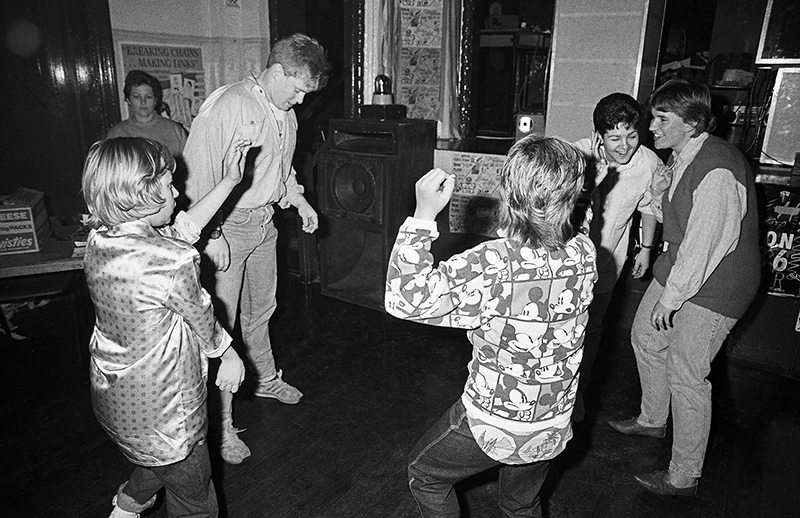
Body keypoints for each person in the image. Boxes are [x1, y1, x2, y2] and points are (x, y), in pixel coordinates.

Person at [385, 136, 597, 517]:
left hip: (495, 422)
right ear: (573, 195)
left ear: (507, 192)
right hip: (553, 424)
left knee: (425, 476)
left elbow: (404, 299)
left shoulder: (493, 265)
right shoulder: (585, 252)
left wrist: (422, 215)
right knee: (521, 503)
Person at [82, 136, 250, 517]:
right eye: (169, 185)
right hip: (168, 410)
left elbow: (175, 235)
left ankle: (126, 508)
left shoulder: (100, 240)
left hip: (118, 402)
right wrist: (228, 355)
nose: (178, 193)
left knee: (159, 460)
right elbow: (203, 318)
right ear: (142, 195)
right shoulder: (171, 262)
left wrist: (228, 182)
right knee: (194, 495)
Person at [183, 33, 331, 465]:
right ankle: (223, 427)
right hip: (225, 227)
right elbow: (194, 177)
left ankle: (265, 378)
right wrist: (212, 235)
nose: (302, 100)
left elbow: (280, 172)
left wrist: (299, 199)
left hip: (264, 224)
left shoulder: (285, 113)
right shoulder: (228, 104)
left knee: (261, 311)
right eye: (300, 88)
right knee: (220, 330)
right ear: (278, 70)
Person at [608, 79, 760, 496]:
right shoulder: (683, 154)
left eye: (661, 119)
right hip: (683, 265)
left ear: (691, 123)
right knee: (644, 336)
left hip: (719, 282)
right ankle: (653, 420)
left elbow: (705, 244)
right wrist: (659, 193)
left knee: (688, 371)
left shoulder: (717, 170)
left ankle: (682, 476)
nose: (650, 127)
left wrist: (672, 298)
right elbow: (675, 215)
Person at [570, 93, 665, 422]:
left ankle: (578, 394)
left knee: (593, 329)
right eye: (615, 137)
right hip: (566, 263)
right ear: (599, 136)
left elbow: (650, 207)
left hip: (609, 259)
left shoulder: (649, 162)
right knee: (564, 330)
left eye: (632, 135)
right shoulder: (577, 154)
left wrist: (647, 247)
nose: (625, 146)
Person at [107, 70, 188, 158]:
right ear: (128, 100)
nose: (143, 102)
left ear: (156, 100)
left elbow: (190, 165)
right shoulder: (116, 134)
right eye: (136, 97)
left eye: (148, 97)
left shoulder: (175, 130)